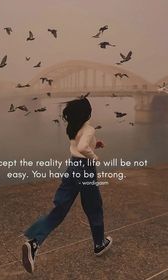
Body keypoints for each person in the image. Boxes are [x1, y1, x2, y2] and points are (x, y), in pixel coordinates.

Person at [22, 97, 112, 273]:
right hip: (85, 168)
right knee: (94, 207)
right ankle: (99, 244)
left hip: (72, 167)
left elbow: (80, 144)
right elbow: (84, 147)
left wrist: (96, 144)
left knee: (59, 208)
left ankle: (34, 242)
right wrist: (94, 157)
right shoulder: (89, 128)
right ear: (87, 113)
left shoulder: (73, 127)